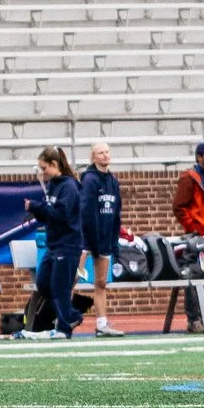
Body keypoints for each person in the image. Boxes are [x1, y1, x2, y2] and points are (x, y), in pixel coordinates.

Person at [32, 144, 86, 338]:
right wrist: (37, 212)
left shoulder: (69, 187)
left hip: (68, 245)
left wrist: (37, 208)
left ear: (54, 164)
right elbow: (49, 216)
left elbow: (61, 214)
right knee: (44, 283)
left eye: (44, 168)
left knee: (59, 287)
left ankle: (64, 326)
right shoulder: (54, 186)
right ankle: (71, 315)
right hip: (54, 244)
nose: (42, 172)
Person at [78, 139, 123, 334]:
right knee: (73, 278)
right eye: (101, 153)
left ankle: (102, 324)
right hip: (87, 238)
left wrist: (113, 240)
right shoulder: (89, 180)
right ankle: (60, 320)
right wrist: (91, 239)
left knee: (101, 282)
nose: (105, 155)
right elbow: (86, 211)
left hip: (104, 237)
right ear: (93, 157)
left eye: (107, 152)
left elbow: (116, 212)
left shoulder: (113, 181)